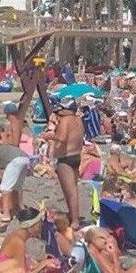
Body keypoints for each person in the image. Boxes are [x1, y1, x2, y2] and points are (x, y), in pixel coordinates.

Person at [43, 95, 86, 226]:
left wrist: (50, 136)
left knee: (70, 191)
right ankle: (73, 216)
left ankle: (75, 221)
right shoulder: (78, 119)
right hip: (76, 155)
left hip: (65, 157)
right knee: (72, 189)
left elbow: (61, 138)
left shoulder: (66, 120)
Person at [0, 142, 31, 219]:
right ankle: (19, 209)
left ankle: (6, 215)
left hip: (15, 160)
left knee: (5, 188)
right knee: (16, 186)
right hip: (25, 159)